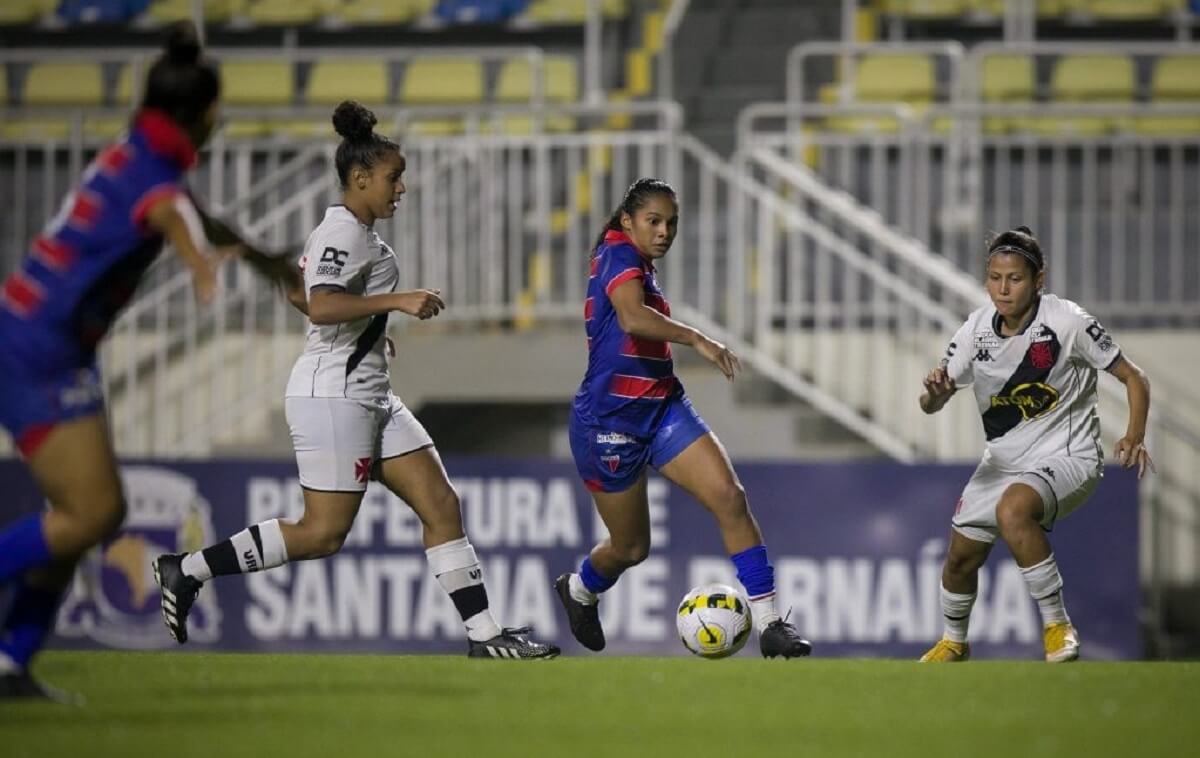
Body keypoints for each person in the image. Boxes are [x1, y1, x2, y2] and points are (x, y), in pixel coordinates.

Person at [154, 101, 559, 661]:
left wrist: (371, 327)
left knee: (441, 503)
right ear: (360, 177)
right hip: (334, 396)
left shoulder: (352, 234)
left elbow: (302, 295)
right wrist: (397, 301)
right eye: (394, 178)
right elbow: (321, 306)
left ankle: (485, 635)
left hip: (369, 392)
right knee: (322, 534)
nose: (402, 189)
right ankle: (188, 569)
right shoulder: (344, 232)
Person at [0, 22, 299, 700]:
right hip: (37, 350)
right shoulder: (153, 181)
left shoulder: (138, 155)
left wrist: (263, 262)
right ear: (205, 113)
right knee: (93, 514)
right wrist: (198, 265)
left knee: (78, 513)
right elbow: (175, 217)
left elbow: (196, 216)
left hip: (39, 337)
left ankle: (11, 663)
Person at [553, 178, 812, 658]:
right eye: (653, 221)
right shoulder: (616, 254)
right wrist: (698, 338)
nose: (664, 231)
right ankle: (580, 591)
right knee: (630, 549)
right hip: (610, 424)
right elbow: (632, 319)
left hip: (664, 407)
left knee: (730, 498)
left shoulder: (641, 263)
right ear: (627, 221)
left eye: (672, 222)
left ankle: (771, 624)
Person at [918, 225, 1154, 663]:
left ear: (1038, 280)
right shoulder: (975, 329)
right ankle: (954, 641)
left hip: (1069, 456)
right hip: (1003, 462)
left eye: (1015, 279)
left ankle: (1058, 627)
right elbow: (931, 402)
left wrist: (1134, 435)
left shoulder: (1068, 322)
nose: (1003, 289)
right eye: (994, 277)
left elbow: (1133, 378)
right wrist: (935, 392)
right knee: (959, 559)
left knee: (1013, 509)